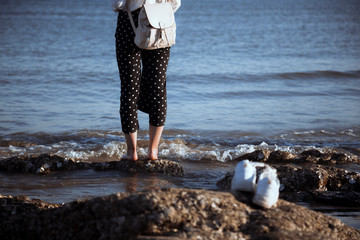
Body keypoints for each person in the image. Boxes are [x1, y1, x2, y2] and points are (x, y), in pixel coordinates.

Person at [114, 0, 181, 161]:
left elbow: (117, 4)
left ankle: (132, 152)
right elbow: (176, 3)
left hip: (130, 22)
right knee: (158, 88)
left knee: (130, 88)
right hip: (160, 20)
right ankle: (153, 151)